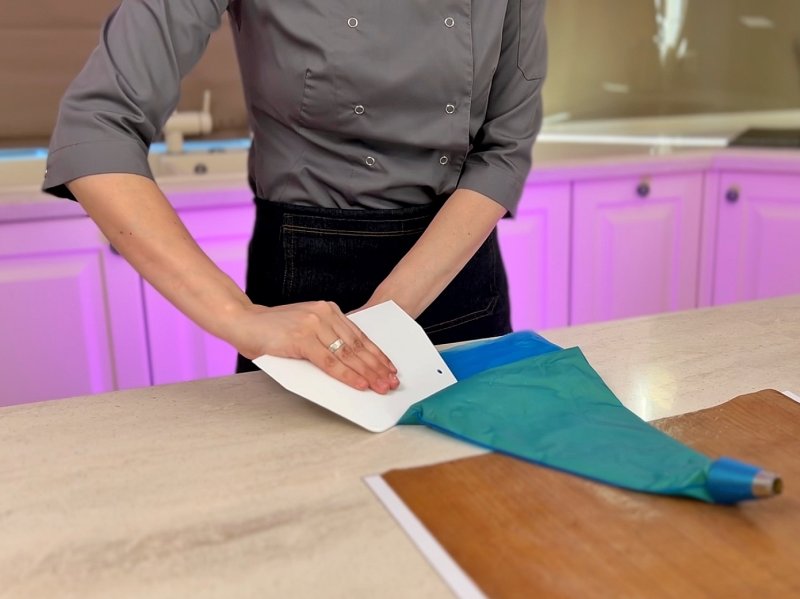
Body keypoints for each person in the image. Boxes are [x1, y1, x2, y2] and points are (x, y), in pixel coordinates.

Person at [42, 0, 547, 395]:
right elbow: (95, 126)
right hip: (301, 283)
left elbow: (503, 149)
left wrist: (386, 316)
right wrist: (239, 318)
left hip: (460, 280)